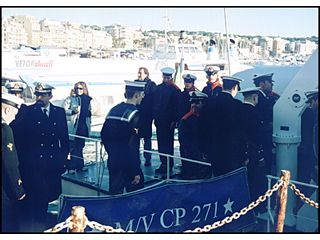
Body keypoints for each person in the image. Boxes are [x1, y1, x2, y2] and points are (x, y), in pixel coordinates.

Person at [10, 82, 69, 231]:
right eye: (37, 95)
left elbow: (64, 138)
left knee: (49, 196)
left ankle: (42, 224)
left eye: (43, 95)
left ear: (50, 96)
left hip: (51, 164)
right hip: (33, 165)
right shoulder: (27, 112)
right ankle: (34, 227)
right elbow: (18, 136)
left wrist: (63, 161)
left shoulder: (59, 112)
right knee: (35, 199)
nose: (39, 98)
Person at [101, 80, 146, 195]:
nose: (143, 97)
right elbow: (132, 145)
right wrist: (135, 170)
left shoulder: (114, 109)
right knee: (136, 194)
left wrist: (112, 152)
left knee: (115, 192)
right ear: (136, 95)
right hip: (127, 163)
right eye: (141, 94)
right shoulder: (135, 114)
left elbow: (104, 135)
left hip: (113, 160)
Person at [201, 76, 246, 177]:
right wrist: (243, 153)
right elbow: (240, 131)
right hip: (231, 151)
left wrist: (204, 149)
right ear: (234, 88)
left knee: (217, 177)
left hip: (213, 149)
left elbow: (203, 127)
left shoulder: (209, 103)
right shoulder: (237, 105)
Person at [239, 87, 266, 213]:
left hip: (240, 152)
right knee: (255, 181)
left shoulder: (237, 110)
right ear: (254, 97)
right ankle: (255, 208)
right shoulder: (254, 114)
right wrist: (260, 155)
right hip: (252, 152)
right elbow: (257, 136)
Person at [2, 93, 26, 232]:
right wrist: (19, 191)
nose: (14, 118)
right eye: (14, 114)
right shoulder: (5, 130)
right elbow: (9, 164)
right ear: (8, 110)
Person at [153, 67, 181, 174]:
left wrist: (174, 120)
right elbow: (155, 104)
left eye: (168, 77)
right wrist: (155, 117)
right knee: (161, 143)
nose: (166, 79)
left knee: (168, 144)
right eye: (165, 77)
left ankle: (169, 164)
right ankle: (163, 163)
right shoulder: (158, 88)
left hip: (169, 122)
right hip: (160, 120)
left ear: (171, 77)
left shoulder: (175, 90)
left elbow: (176, 107)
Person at [178, 91, 210, 179]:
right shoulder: (185, 120)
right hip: (192, 158)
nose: (193, 105)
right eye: (192, 102)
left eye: (197, 103)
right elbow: (184, 144)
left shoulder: (207, 118)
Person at [253, 73, 280, 175]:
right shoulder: (259, 99)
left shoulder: (271, 98)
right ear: (262, 84)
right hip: (263, 139)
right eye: (269, 83)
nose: (272, 85)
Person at [64, 82, 92, 171]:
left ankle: (80, 165)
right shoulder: (70, 99)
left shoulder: (88, 99)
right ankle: (72, 166)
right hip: (73, 126)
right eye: (77, 88)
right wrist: (73, 111)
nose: (78, 90)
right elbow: (64, 110)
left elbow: (91, 111)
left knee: (80, 146)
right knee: (73, 147)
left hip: (83, 126)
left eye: (80, 88)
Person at [135, 67, 157, 167]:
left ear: (146, 74)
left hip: (147, 115)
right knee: (135, 137)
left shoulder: (151, 85)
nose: (139, 75)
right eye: (138, 73)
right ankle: (136, 157)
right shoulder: (135, 83)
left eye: (141, 73)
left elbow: (153, 100)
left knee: (147, 138)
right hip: (136, 114)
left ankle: (148, 158)